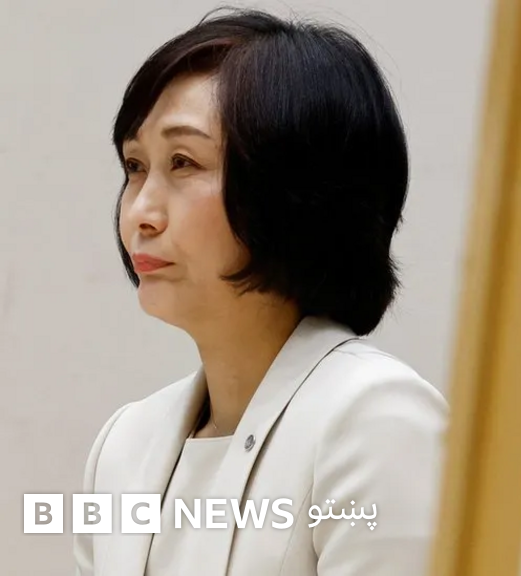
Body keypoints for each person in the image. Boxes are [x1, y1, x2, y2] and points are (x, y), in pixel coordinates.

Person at [71, 8, 448, 576]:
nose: (141, 212)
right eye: (135, 166)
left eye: (183, 162)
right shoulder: (124, 444)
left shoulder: (377, 421)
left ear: (295, 192)